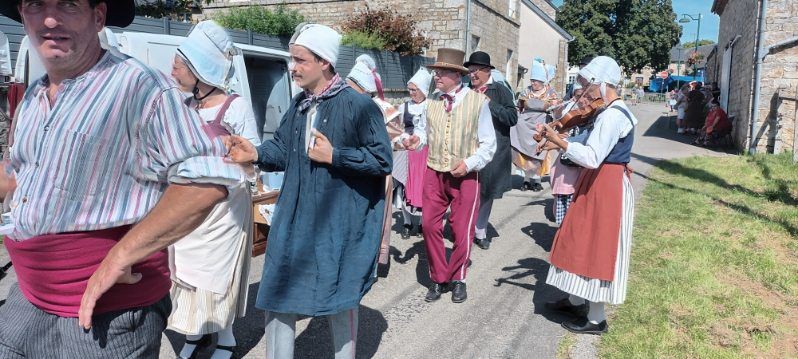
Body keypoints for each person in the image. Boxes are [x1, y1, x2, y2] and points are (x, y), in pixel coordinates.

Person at [0, 1, 244, 356]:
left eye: (67, 4)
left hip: (106, 313)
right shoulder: (35, 96)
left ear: (98, 16)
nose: (49, 19)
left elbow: (207, 179)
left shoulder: (140, 87)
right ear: (23, 14)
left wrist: (119, 256)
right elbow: (19, 175)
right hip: (28, 293)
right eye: (36, 4)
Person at [223, 23, 392, 358]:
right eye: (292, 59)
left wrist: (336, 156)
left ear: (324, 63)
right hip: (294, 221)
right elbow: (284, 151)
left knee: (339, 300)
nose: (292, 67)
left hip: (338, 226)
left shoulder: (359, 107)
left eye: (300, 60)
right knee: (277, 295)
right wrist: (255, 153)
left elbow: (381, 160)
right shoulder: (300, 104)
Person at [167, 21, 261, 359]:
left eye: (178, 65)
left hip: (224, 209)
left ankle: (226, 338)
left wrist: (233, 161)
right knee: (188, 272)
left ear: (197, 68)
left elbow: (254, 156)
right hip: (189, 207)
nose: (172, 71)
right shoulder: (185, 107)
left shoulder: (235, 106)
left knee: (216, 274)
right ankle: (195, 332)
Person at [538, 56, 638, 335]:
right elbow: (585, 142)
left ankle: (596, 318)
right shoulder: (606, 111)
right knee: (579, 238)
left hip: (607, 186)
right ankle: (575, 299)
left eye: (589, 86)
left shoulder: (613, 115)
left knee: (597, 246)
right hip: (598, 182)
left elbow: (592, 156)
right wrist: (558, 135)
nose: (585, 93)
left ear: (604, 84)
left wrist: (560, 141)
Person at [409, 48, 496, 303]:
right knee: (428, 225)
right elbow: (424, 133)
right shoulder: (431, 103)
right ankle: (438, 277)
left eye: (442, 71)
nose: (436, 76)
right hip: (434, 172)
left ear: (457, 75)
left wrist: (469, 164)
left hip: (465, 176)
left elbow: (488, 144)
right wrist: (416, 140)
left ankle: (458, 278)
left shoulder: (479, 102)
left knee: (461, 229)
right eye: (436, 71)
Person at [346, 53, 396, 276]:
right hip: (349, 171)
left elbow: (398, 137)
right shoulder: (340, 103)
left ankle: (369, 265)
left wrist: (408, 140)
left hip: (375, 172)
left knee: (371, 220)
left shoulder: (379, 107)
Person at [463, 51, 517, 250]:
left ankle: (480, 231)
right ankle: (465, 228)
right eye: (470, 71)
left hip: (494, 151)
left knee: (486, 192)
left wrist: (490, 104)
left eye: (476, 71)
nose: (472, 75)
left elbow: (512, 119)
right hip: (469, 149)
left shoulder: (500, 91)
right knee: (468, 190)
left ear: (487, 71)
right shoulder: (466, 91)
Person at [394, 68, 432, 239]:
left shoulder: (431, 106)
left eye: (414, 90)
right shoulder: (404, 106)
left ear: (423, 89)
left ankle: (424, 223)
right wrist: (402, 136)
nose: (411, 93)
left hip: (425, 153)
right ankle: (407, 222)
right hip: (407, 152)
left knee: (425, 188)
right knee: (403, 186)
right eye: (409, 89)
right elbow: (395, 126)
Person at [511, 58, 559, 192]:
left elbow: (556, 106)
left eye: (536, 81)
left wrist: (550, 106)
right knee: (525, 152)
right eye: (532, 80)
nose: (533, 83)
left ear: (542, 81)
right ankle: (526, 180)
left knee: (539, 151)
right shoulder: (526, 91)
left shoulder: (550, 92)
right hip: (526, 124)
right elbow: (518, 105)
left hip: (542, 124)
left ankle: (537, 180)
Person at [548, 83, 585, 226]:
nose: (581, 100)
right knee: (564, 198)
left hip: (581, 164)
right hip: (566, 164)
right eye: (577, 96)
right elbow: (560, 135)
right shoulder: (569, 110)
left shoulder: (592, 114)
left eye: (584, 95)